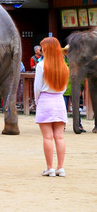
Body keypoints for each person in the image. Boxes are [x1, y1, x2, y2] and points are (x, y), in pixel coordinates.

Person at [34, 37, 70, 177]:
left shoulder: (41, 65)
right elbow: (65, 87)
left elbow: (37, 88)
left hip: (45, 100)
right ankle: (60, 167)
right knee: (59, 137)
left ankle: (49, 167)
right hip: (59, 101)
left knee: (47, 137)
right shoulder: (64, 66)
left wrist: (38, 102)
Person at [61, 45, 85, 133]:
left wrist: (81, 88)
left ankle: (78, 125)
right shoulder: (62, 62)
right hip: (64, 89)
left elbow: (82, 77)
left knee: (76, 109)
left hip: (75, 89)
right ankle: (62, 126)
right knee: (63, 109)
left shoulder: (78, 64)